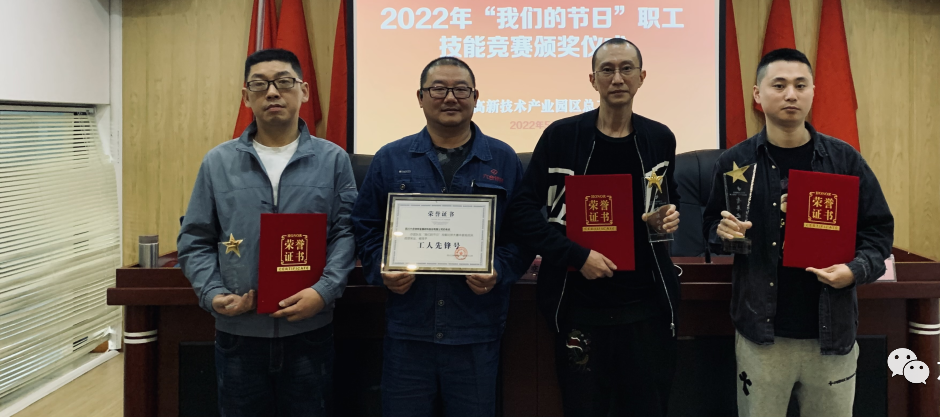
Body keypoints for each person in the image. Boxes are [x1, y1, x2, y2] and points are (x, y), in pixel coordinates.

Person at [702, 48, 894, 417]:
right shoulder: (734, 162)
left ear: (812, 92)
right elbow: (710, 227)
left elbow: (878, 234)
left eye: (800, 85)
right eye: (779, 85)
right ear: (758, 94)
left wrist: (854, 270)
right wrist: (723, 233)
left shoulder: (845, 161)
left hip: (831, 334)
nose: (791, 94)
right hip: (762, 336)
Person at [501, 38, 681, 417]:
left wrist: (665, 218)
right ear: (592, 79)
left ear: (642, 77)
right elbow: (522, 210)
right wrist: (576, 255)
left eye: (627, 68)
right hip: (579, 307)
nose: (617, 78)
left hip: (644, 309)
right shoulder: (562, 136)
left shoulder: (659, 138)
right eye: (607, 70)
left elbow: (665, 203)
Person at [177, 48, 357, 417]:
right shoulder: (218, 162)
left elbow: (346, 233)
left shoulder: (333, 159)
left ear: (304, 91)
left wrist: (323, 291)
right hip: (239, 334)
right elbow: (194, 240)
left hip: (310, 331)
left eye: (284, 82)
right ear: (246, 97)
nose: (272, 92)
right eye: (260, 85)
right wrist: (212, 293)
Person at [351, 56, 530, 417]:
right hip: (409, 330)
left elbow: (525, 234)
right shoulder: (390, 158)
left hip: (475, 331)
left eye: (461, 89)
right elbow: (365, 226)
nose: (450, 97)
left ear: (475, 97)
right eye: (438, 89)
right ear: (420, 97)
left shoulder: (503, 160)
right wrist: (381, 266)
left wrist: (498, 268)